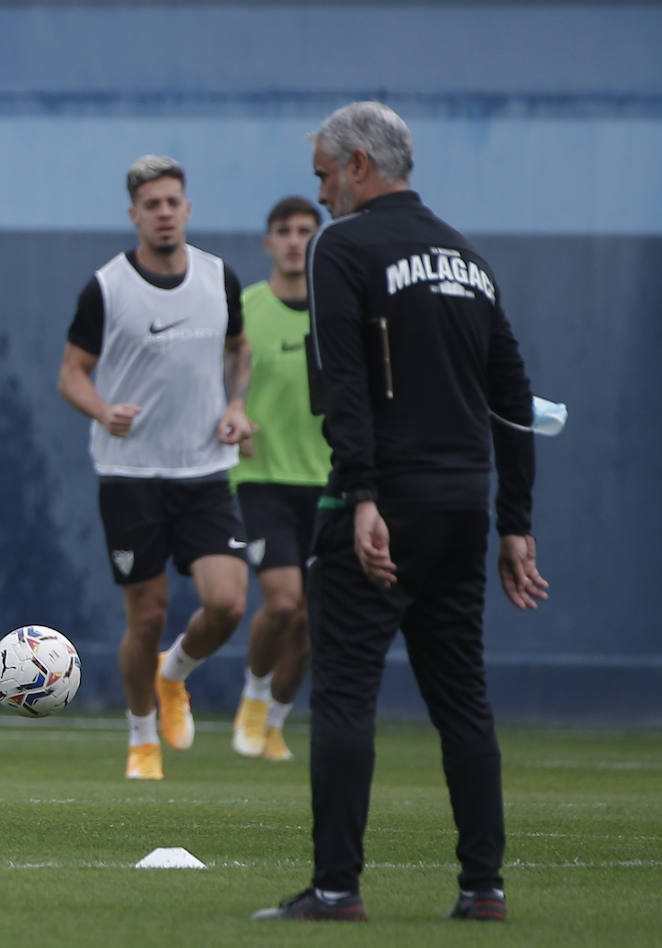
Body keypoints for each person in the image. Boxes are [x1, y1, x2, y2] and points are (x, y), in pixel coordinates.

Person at [253, 101, 549, 922]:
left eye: (323, 177)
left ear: (357, 164)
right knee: (463, 700)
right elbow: (514, 400)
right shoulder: (469, 258)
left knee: (345, 695)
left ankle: (337, 888)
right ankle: (482, 888)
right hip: (464, 506)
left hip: (382, 504)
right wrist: (514, 520)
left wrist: (362, 492)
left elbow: (344, 382)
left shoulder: (340, 247)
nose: (319, 197)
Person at [58, 154, 256, 781]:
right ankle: (142, 740)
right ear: (134, 215)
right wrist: (102, 410)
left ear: (187, 208)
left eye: (173, 201)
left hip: (203, 472)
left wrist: (236, 406)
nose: (164, 213)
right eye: (152, 205)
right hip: (131, 476)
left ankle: (175, 674)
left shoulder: (221, 278)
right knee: (146, 615)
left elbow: (239, 350)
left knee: (226, 604)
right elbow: (71, 374)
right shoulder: (107, 287)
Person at [228, 196, 328, 762]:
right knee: (284, 603)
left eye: (305, 231)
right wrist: (230, 416)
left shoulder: (339, 313)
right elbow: (216, 388)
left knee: (314, 626)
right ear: (268, 242)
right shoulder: (244, 311)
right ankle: (254, 696)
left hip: (330, 481)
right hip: (262, 477)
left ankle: (275, 723)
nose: (294, 240)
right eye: (284, 231)